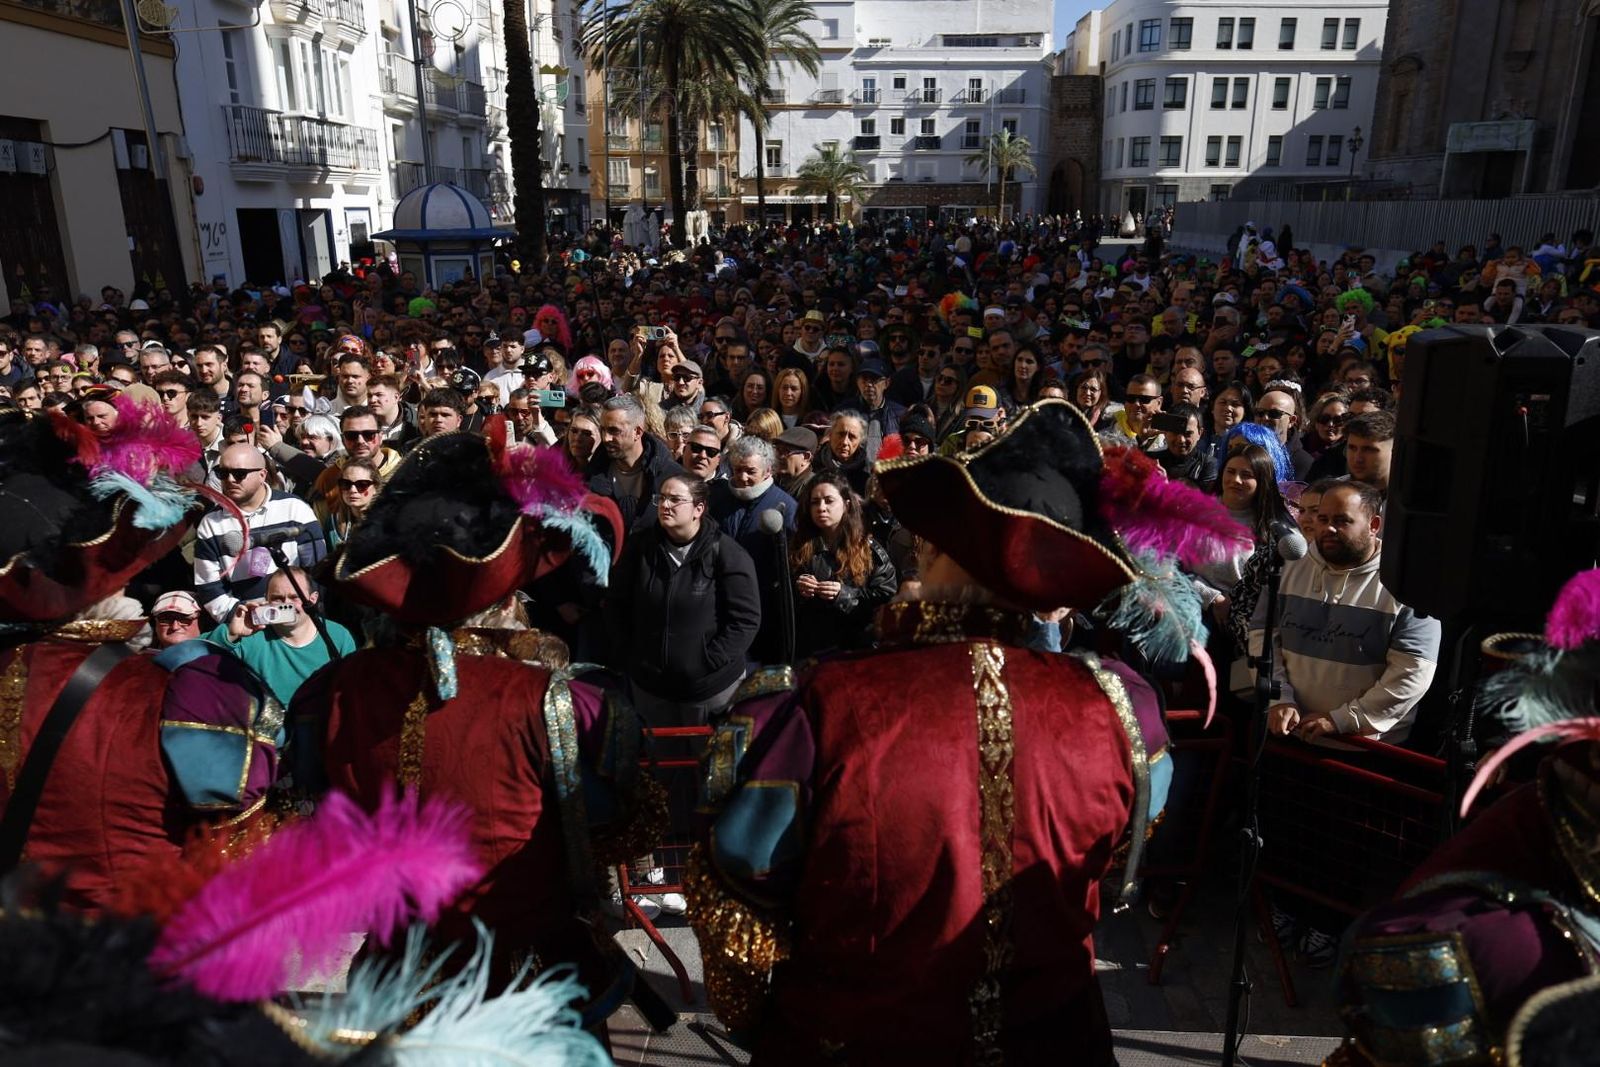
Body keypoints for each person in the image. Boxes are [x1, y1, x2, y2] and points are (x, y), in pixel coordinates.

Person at [689, 399, 1244, 1064]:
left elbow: (738, 889)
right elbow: (1116, 868)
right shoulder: (1124, 711)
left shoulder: (818, 705)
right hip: (1054, 1043)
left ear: (933, 545)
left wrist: (760, 1020)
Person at [298, 423, 653, 1010]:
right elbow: (617, 820)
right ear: (512, 597)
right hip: (527, 977)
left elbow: (313, 805)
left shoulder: (335, 690)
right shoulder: (553, 698)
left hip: (396, 975)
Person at [605, 472, 761, 725]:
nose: (665, 505)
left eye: (675, 499)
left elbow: (745, 619)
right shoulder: (640, 548)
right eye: (662, 498)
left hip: (709, 690)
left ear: (698, 508)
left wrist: (709, 660)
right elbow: (616, 603)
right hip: (650, 686)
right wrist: (630, 654)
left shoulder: (727, 553)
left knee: (707, 761)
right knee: (661, 761)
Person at [193, 442, 327, 623]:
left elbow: (317, 573)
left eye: (239, 474)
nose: (230, 479)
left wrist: (298, 615)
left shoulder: (295, 508)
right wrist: (246, 618)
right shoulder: (211, 524)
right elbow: (209, 588)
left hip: (299, 619)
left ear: (262, 475)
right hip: (248, 628)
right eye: (223, 473)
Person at [208, 566, 356, 707]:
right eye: (277, 598)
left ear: (312, 599)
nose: (287, 604)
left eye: (294, 597)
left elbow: (352, 690)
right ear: (266, 599)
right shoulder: (249, 635)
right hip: (267, 727)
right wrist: (230, 635)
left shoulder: (338, 636)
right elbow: (195, 658)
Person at [710, 437, 799, 665]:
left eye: (750, 471)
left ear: (768, 470)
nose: (742, 477)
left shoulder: (785, 507)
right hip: (720, 601)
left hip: (764, 606)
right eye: (737, 470)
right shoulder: (719, 499)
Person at [790, 472, 897, 658]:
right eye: (815, 502)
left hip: (855, 650)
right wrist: (797, 587)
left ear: (846, 505)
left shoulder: (868, 550)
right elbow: (778, 595)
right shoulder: (798, 546)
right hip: (810, 651)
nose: (821, 508)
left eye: (829, 500)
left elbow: (886, 597)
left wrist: (844, 594)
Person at [588, 393, 684, 531]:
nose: (606, 438)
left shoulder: (671, 476)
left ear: (638, 432)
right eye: (602, 430)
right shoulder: (592, 474)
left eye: (614, 431)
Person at [323, 458, 382, 550]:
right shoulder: (332, 523)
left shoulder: (388, 522)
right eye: (346, 484)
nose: (352, 490)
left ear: (376, 487)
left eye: (362, 484)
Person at [1157, 402, 1217, 490]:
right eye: (1175, 432)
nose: (1181, 440)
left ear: (1200, 433)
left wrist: (1165, 487)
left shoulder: (1207, 464)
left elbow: (1203, 501)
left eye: (1187, 434)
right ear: (1165, 432)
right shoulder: (1153, 460)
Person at [813, 410, 870, 495]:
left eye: (852, 437)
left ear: (860, 442)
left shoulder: (867, 476)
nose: (844, 442)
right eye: (840, 434)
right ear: (830, 435)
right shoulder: (814, 468)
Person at [773, 425, 818, 503]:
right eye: (777, 449)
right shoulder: (774, 480)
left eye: (785, 451)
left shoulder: (813, 488)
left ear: (806, 457)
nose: (779, 456)